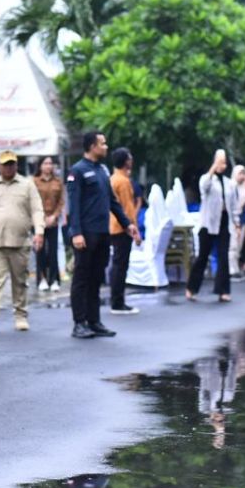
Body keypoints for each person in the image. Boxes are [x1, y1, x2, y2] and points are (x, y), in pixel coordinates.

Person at [66, 131, 140, 339]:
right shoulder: (77, 171)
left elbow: (112, 201)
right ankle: (79, 323)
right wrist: (76, 233)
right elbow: (74, 205)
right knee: (81, 278)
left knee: (96, 277)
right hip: (85, 234)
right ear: (91, 146)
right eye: (102, 144)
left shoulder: (102, 170)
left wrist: (127, 224)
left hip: (102, 232)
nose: (106, 147)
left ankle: (94, 321)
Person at [0, 151, 44, 333]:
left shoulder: (27, 185)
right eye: (5, 164)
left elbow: (37, 210)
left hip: (20, 242)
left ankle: (20, 315)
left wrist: (39, 231)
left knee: (20, 281)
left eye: (12, 164)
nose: (9, 167)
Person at [186, 150, 240, 303]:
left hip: (224, 221)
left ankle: (223, 290)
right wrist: (212, 168)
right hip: (208, 222)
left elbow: (233, 204)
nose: (222, 165)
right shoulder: (207, 179)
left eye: (224, 162)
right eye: (220, 162)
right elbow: (204, 187)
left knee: (224, 257)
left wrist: (236, 223)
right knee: (203, 256)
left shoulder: (229, 183)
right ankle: (192, 288)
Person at [108, 147, 140, 315]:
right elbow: (128, 208)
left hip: (112, 226)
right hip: (122, 227)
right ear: (126, 161)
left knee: (117, 264)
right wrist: (135, 229)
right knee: (121, 265)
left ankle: (116, 300)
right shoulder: (123, 181)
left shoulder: (112, 179)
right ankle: (118, 302)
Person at [33, 155, 64, 291]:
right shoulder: (34, 181)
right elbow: (32, 202)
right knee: (39, 250)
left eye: (50, 163)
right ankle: (42, 279)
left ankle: (54, 279)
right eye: (45, 163)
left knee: (53, 251)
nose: (48, 166)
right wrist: (41, 218)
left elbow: (61, 202)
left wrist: (54, 216)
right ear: (40, 166)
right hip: (38, 220)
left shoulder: (58, 181)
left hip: (53, 220)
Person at [229, 165, 245, 281]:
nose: (242, 176)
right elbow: (234, 206)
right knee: (233, 246)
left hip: (243, 220)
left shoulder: (243, 188)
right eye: (240, 174)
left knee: (239, 246)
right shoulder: (232, 186)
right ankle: (232, 270)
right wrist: (236, 223)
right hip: (234, 220)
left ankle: (236, 269)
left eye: (244, 173)